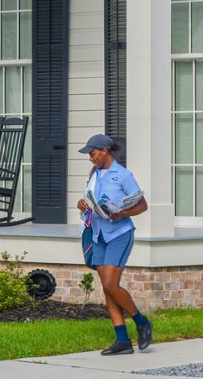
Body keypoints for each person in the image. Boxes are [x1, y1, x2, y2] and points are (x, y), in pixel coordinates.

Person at [76, 134, 152, 355]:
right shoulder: (94, 174)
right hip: (98, 234)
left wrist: (122, 214)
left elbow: (143, 206)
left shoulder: (123, 175)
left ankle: (141, 322)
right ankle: (123, 341)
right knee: (108, 289)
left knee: (111, 285)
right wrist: (82, 204)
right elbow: (88, 201)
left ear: (103, 151)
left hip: (119, 234)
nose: (90, 158)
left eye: (92, 153)